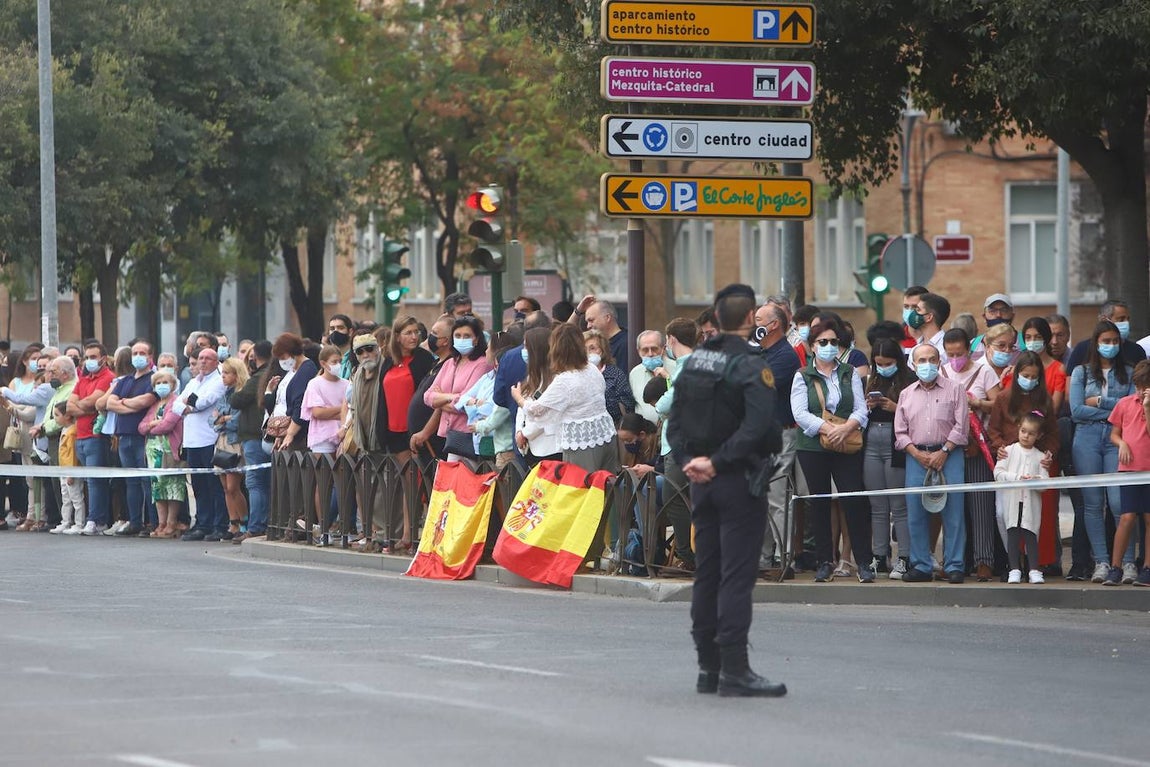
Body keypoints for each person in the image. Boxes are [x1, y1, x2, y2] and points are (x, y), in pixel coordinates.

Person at [666, 284, 785, 698]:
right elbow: (759, 428)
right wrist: (717, 462)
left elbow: (675, 422)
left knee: (708, 573)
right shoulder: (751, 364)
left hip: (700, 479)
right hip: (736, 478)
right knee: (735, 576)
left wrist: (688, 462)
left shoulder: (696, 360)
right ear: (751, 318)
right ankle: (735, 669)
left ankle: (707, 668)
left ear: (715, 319)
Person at [790, 315, 875, 583]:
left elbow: (861, 409)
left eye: (833, 342)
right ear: (812, 346)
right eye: (822, 341)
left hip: (847, 443)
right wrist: (829, 430)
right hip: (813, 446)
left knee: (853, 500)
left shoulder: (848, 372)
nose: (828, 346)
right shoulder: (802, 375)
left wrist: (845, 429)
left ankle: (863, 562)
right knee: (820, 503)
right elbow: (800, 413)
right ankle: (825, 561)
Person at [893, 343, 969, 583]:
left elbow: (961, 426)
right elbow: (900, 431)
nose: (927, 365)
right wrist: (916, 453)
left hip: (949, 454)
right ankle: (921, 565)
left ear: (939, 361)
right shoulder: (906, 394)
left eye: (932, 359)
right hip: (916, 457)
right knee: (916, 512)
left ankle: (954, 564)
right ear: (913, 365)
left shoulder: (955, 389)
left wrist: (944, 451)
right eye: (922, 360)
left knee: (953, 512)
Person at [1070, 320, 1136, 583]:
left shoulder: (1129, 372)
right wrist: (1115, 409)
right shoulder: (1080, 372)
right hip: (1086, 438)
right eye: (1105, 341)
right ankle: (1102, 562)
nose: (1110, 346)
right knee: (1093, 503)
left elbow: (1131, 407)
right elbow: (1076, 411)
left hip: (1118, 438)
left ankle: (1128, 562)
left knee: (1121, 503)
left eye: (1114, 341)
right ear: (1096, 343)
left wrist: (1100, 402)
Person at [512, 324, 620, 474]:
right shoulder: (592, 368)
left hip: (581, 441)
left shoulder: (564, 380)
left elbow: (536, 411)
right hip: (606, 435)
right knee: (605, 489)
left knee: (580, 489)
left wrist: (519, 399)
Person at [987, 351, 1060, 570]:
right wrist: (1000, 449)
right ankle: (1013, 559)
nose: (1029, 380)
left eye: (1033, 376)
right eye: (1025, 375)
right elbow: (993, 429)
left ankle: (1032, 562)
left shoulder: (1044, 400)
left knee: (1031, 516)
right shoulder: (1003, 398)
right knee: (1003, 514)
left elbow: (1053, 435)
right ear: (1017, 373)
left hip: (1035, 461)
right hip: (1010, 461)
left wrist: (1048, 454)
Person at [940, 327, 1001, 582]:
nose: (955, 359)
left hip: (979, 444)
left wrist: (977, 403)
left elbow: (998, 406)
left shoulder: (984, 371)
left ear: (969, 350)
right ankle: (955, 561)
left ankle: (984, 560)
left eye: (960, 353)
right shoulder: (941, 372)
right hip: (950, 446)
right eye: (950, 353)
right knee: (953, 508)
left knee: (981, 505)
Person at [752, 302, 800, 571]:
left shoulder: (785, 355)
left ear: (773, 325)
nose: (753, 324)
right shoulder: (759, 353)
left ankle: (784, 556)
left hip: (779, 434)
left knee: (777, 498)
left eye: (758, 319)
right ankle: (762, 557)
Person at [863, 336, 915, 579]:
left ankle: (904, 556)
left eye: (888, 362)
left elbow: (917, 413)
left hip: (897, 442)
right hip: (871, 441)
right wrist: (868, 406)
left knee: (899, 505)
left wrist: (896, 407)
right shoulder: (868, 379)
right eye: (879, 363)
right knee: (877, 505)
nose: (883, 367)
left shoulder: (910, 380)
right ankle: (879, 555)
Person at [654, 317, 700, 570]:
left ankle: (687, 553)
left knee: (674, 497)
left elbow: (665, 404)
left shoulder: (687, 366)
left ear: (671, 339)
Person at [1104, 360, 1150, 586]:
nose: (1142, 392)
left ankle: (1148, 568)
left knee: (1149, 519)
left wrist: (1148, 408)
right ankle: (1115, 567)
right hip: (1129, 470)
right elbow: (1114, 433)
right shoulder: (1125, 404)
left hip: (1148, 470)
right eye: (1139, 386)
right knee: (1127, 517)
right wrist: (1121, 443)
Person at [105, 339, 157, 536]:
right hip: (124, 436)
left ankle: (152, 522)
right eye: (134, 353)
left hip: (141, 437)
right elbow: (110, 403)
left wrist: (124, 403)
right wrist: (129, 405)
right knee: (131, 482)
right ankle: (135, 521)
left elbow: (146, 401)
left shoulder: (152, 379)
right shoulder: (125, 380)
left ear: (150, 357)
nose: (137, 357)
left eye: (142, 353)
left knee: (146, 480)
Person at [423, 315, 492, 462]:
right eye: (458, 335)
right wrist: (452, 397)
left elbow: (467, 404)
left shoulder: (482, 364)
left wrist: (441, 400)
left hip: (468, 437)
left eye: (467, 335)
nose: (462, 339)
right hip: (446, 435)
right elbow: (428, 396)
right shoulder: (450, 363)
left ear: (476, 339)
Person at [301, 345, 350, 539]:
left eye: (339, 361)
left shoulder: (346, 384)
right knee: (324, 484)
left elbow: (352, 409)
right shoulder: (315, 384)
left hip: (344, 436)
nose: (337, 365)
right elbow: (317, 412)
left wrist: (340, 411)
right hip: (322, 438)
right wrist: (342, 409)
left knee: (343, 483)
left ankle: (342, 526)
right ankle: (324, 528)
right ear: (323, 363)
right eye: (333, 362)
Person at [994, 411, 1050, 584]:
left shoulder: (1041, 456)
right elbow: (998, 473)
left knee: (1030, 533)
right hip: (1012, 501)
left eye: (1031, 433)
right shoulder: (1008, 451)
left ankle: (1034, 569)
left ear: (1038, 436)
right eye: (1023, 431)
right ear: (1018, 429)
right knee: (1013, 533)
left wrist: (1035, 481)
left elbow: (1045, 483)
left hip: (1031, 503)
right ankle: (1014, 569)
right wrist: (1016, 478)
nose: (1026, 436)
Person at [67, 342, 115, 535]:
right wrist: (83, 407)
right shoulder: (83, 379)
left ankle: (96, 519)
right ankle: (94, 518)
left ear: (103, 358)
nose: (89, 361)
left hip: (96, 436)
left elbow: (93, 401)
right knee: (88, 480)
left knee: (96, 481)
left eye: (93, 357)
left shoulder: (107, 378)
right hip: (81, 436)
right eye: (87, 357)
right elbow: (69, 406)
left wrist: (81, 406)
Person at [229, 340, 271, 542]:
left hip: (255, 437)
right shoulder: (268, 374)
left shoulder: (259, 377)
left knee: (255, 483)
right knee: (263, 482)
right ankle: (264, 523)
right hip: (262, 435)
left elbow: (237, 400)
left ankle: (255, 527)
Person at [138, 369, 185, 538]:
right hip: (153, 452)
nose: (161, 386)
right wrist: (152, 424)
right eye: (158, 383)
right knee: (157, 488)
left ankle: (172, 523)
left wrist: (152, 426)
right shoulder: (154, 405)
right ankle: (161, 522)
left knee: (172, 486)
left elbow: (167, 425)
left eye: (165, 382)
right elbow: (141, 427)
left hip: (169, 450)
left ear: (173, 385)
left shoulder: (176, 401)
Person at [408, 314, 455, 462]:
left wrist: (425, 432)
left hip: (433, 442)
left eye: (435, 334)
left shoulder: (450, 365)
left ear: (445, 341)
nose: (430, 338)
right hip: (423, 443)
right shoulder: (436, 363)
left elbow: (440, 406)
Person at [214, 357, 249, 538]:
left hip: (235, 442)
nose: (224, 377)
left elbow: (236, 420)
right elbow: (214, 419)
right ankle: (233, 523)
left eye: (227, 373)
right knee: (225, 487)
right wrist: (222, 419)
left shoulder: (241, 393)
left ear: (237, 374)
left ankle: (244, 521)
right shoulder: (224, 394)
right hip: (222, 441)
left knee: (233, 485)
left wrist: (224, 419)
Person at [268, 332, 319, 453]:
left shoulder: (306, 370)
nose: (281, 361)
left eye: (282, 357)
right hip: (291, 431)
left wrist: (289, 434)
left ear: (292, 352)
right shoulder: (294, 370)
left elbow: (300, 405)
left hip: (300, 435)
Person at [1065, 300, 1146, 374]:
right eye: (1121, 320)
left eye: (1127, 319)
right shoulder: (1082, 349)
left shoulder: (1137, 351)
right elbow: (1071, 383)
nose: (1126, 323)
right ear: (1104, 319)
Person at [583, 329, 634, 422]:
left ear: (602, 351)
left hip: (613, 426)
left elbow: (627, 404)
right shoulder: (577, 375)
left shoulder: (616, 374)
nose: (588, 353)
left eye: (592, 348)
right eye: (584, 349)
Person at [52, 402, 87, 535]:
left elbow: (72, 454)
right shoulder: (64, 430)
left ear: (67, 416)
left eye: (57, 415)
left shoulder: (72, 432)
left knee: (76, 497)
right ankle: (65, 521)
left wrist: (71, 473)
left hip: (71, 470)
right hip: (63, 469)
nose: (55, 418)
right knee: (65, 498)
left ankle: (79, 523)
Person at [628, 330, 675, 424]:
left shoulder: (676, 368)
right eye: (645, 350)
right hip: (645, 433)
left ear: (663, 348)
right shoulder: (634, 373)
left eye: (654, 349)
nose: (650, 354)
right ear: (638, 351)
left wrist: (669, 379)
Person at [573, 296, 630, 371]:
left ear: (607, 318)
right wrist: (578, 311)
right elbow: (565, 337)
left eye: (591, 320)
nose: (588, 326)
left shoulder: (626, 344)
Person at [907, 292, 950, 362]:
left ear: (929, 317)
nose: (913, 313)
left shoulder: (947, 347)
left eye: (918, 310)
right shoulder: (915, 348)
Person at [326, 314, 355, 379]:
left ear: (350, 332)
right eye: (332, 329)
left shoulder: (356, 356)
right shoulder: (326, 358)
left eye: (340, 328)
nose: (335, 331)